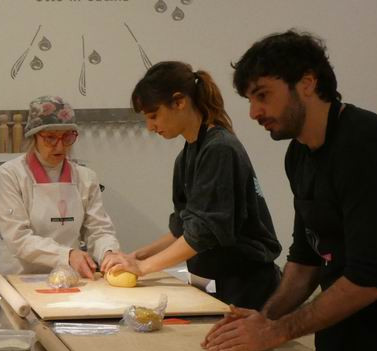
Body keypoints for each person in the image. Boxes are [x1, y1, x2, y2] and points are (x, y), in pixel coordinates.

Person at [204, 30, 377, 351]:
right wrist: (264, 318)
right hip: (338, 339)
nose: (254, 113)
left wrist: (278, 331)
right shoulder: (299, 154)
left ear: (308, 83)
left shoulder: (366, 148)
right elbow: (306, 259)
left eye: (263, 95)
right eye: (250, 100)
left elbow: (370, 279)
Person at [101, 62, 281, 309]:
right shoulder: (187, 156)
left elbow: (203, 231)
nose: (150, 127)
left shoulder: (219, 149)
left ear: (179, 102)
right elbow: (184, 227)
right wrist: (136, 256)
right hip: (213, 279)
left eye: (153, 116)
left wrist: (143, 267)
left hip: (245, 284)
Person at [0, 95, 120, 278]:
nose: (60, 146)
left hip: (68, 279)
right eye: (50, 138)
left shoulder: (85, 178)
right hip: (17, 278)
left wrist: (109, 253)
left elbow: (98, 230)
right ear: (34, 136)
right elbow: (18, 238)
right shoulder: (11, 174)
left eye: (67, 137)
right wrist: (67, 255)